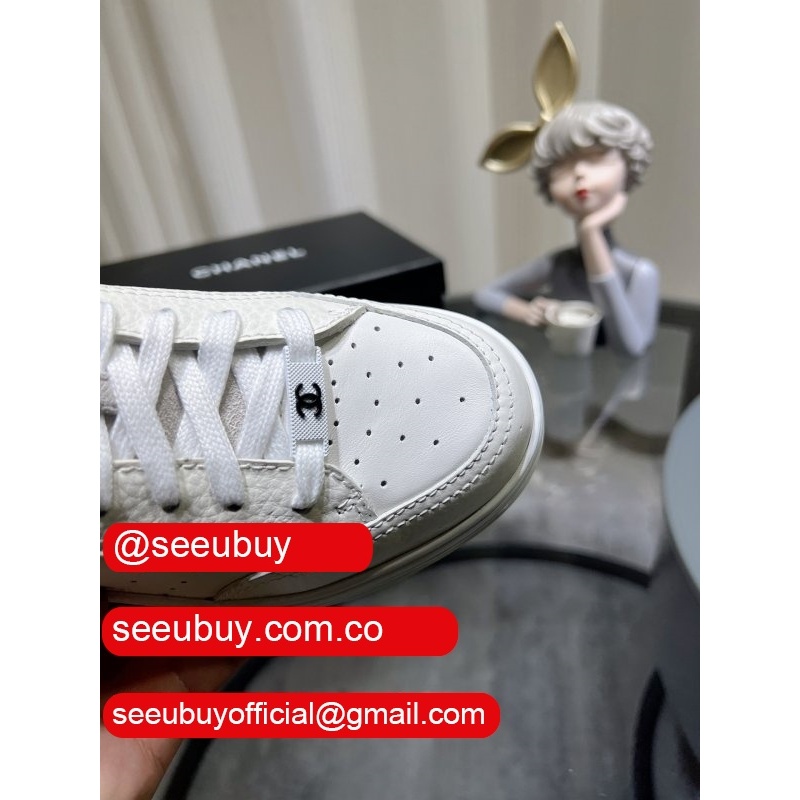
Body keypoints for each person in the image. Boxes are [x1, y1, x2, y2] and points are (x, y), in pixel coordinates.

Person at [474, 101, 659, 358]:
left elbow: (629, 346)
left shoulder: (640, 273)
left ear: (628, 168)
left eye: (596, 158)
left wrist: (591, 232)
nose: (579, 172)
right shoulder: (559, 265)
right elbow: (485, 294)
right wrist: (528, 312)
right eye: (562, 166)